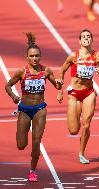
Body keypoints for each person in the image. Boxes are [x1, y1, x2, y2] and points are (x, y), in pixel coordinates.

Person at [5, 32, 62, 182]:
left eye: (37, 56)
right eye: (32, 56)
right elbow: (7, 85)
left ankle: (32, 170)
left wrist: (59, 85)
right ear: (27, 57)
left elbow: (56, 85)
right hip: (24, 109)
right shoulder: (21, 72)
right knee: (21, 145)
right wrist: (13, 97)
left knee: (36, 141)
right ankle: (25, 148)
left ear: (40, 56)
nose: (35, 59)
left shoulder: (46, 71)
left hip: (40, 109)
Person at [57, 29, 99, 164]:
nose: (86, 38)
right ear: (79, 41)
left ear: (92, 40)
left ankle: (82, 153)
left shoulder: (97, 56)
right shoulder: (73, 56)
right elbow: (62, 70)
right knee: (73, 130)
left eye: (89, 36)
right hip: (74, 93)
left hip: (88, 93)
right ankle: (74, 116)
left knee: (86, 124)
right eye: (84, 37)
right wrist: (60, 89)